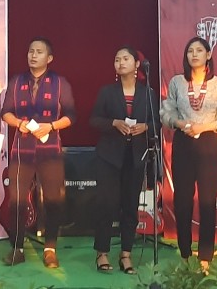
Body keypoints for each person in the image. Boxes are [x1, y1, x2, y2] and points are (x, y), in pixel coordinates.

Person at [160, 37, 217, 274]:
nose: (194, 54)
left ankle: (205, 258)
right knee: (182, 202)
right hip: (183, 144)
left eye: (199, 50)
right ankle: (185, 254)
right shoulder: (177, 82)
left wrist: (202, 127)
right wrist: (179, 122)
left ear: (208, 54)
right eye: (190, 51)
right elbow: (166, 112)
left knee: (206, 203)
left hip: (208, 145)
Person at [0, 37, 76, 268]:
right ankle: (17, 247)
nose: (33, 55)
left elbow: (71, 116)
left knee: (53, 199)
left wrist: (51, 126)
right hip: (21, 149)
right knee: (17, 199)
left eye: (39, 52)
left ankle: (50, 248)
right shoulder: (16, 81)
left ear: (49, 58)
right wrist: (18, 124)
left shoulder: (60, 83)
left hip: (50, 149)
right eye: (31, 51)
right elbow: (6, 112)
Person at [89, 46, 159, 274]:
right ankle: (102, 252)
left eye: (125, 58)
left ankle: (126, 254)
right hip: (109, 157)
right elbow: (94, 120)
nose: (120, 62)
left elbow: (157, 123)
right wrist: (114, 123)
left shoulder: (148, 93)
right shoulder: (107, 92)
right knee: (106, 204)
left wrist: (146, 127)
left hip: (135, 157)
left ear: (137, 65)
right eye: (117, 59)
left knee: (130, 205)